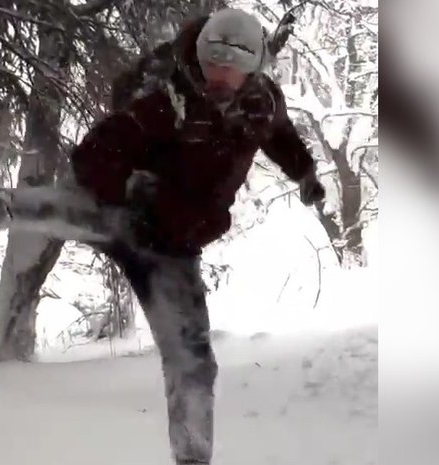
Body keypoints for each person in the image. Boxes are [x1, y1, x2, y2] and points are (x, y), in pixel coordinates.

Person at [70, 8, 325, 465]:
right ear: (198, 56)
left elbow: (279, 135)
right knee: (22, 207)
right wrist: (120, 199)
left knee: (193, 364)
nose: (220, 74)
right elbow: (95, 154)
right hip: (120, 216)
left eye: (232, 65)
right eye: (212, 61)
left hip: (174, 247)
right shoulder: (167, 99)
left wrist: (304, 172)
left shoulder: (261, 102)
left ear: (254, 68)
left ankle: (191, 459)